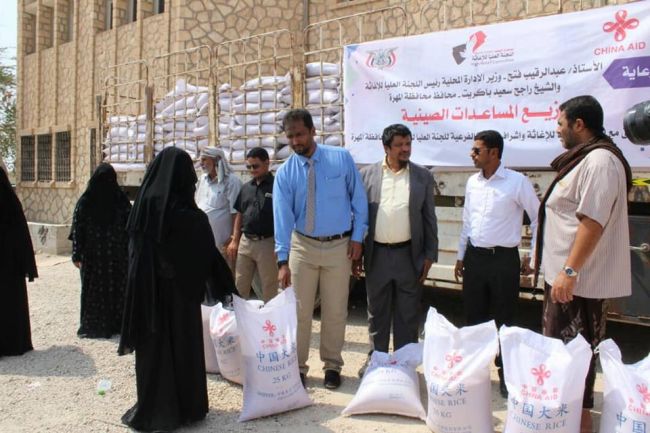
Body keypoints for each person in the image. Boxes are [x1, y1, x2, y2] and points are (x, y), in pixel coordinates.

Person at [118, 147, 236, 432]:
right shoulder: (191, 218)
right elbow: (207, 258)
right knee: (183, 348)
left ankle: (155, 407)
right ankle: (187, 407)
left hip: (149, 297)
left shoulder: (143, 211)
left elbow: (133, 256)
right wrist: (228, 289)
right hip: (181, 299)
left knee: (155, 351)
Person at [535, 95, 632, 432]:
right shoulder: (586, 159)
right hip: (568, 283)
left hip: (579, 286)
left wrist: (569, 271)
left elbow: (592, 221)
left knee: (576, 368)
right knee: (564, 366)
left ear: (579, 124)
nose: (557, 130)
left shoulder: (600, 162)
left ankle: (578, 426)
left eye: (560, 123)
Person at [274, 108, 368, 389]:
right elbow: (282, 218)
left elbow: (358, 199)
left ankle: (332, 366)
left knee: (335, 311)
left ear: (313, 131)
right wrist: (282, 260)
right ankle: (298, 368)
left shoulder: (340, 158)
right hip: (302, 247)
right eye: (290, 136)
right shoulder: (285, 173)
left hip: (339, 246)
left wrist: (358, 238)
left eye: (300, 134)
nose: (295, 141)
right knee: (299, 312)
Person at [454, 130, 540, 398]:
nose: (471, 154)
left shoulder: (517, 182)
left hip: (503, 260)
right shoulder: (473, 182)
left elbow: (539, 218)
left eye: (477, 150)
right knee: (474, 318)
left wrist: (533, 255)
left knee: (505, 320)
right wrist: (460, 255)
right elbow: (467, 221)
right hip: (475, 258)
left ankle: (506, 375)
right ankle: (476, 374)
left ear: (494, 153)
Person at [355, 124, 438, 376]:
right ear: (386, 148)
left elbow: (429, 218)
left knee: (408, 312)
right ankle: (376, 359)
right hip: (377, 255)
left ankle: (405, 364)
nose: (405, 149)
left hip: (408, 255)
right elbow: (359, 216)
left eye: (408, 144)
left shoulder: (422, 176)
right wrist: (357, 250)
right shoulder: (367, 175)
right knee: (377, 311)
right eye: (400, 145)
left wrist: (430, 254)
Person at [69, 163, 131, 338]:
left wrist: (76, 254)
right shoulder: (121, 200)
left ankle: (94, 324)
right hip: (116, 255)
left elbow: (78, 230)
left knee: (93, 289)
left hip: (93, 257)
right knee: (117, 287)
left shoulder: (86, 201)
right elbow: (130, 228)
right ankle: (117, 323)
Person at [226, 147, 277, 302]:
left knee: (269, 286)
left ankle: (270, 316)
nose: (252, 170)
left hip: (267, 243)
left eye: (255, 166)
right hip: (245, 242)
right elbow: (239, 214)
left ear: (267, 163)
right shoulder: (246, 188)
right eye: (249, 167)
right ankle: (240, 316)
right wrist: (235, 240)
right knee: (240, 284)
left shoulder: (277, 186)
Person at [0, 166, 38, 356]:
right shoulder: (10, 202)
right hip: (10, 265)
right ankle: (14, 343)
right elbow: (22, 236)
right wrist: (26, 264)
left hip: (9, 264)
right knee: (11, 304)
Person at [196, 146, 242, 270]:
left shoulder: (231, 181)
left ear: (216, 160)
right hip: (203, 243)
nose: (201, 163)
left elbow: (237, 212)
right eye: (201, 160)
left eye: (204, 159)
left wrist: (233, 239)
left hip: (223, 245)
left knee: (225, 277)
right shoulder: (202, 180)